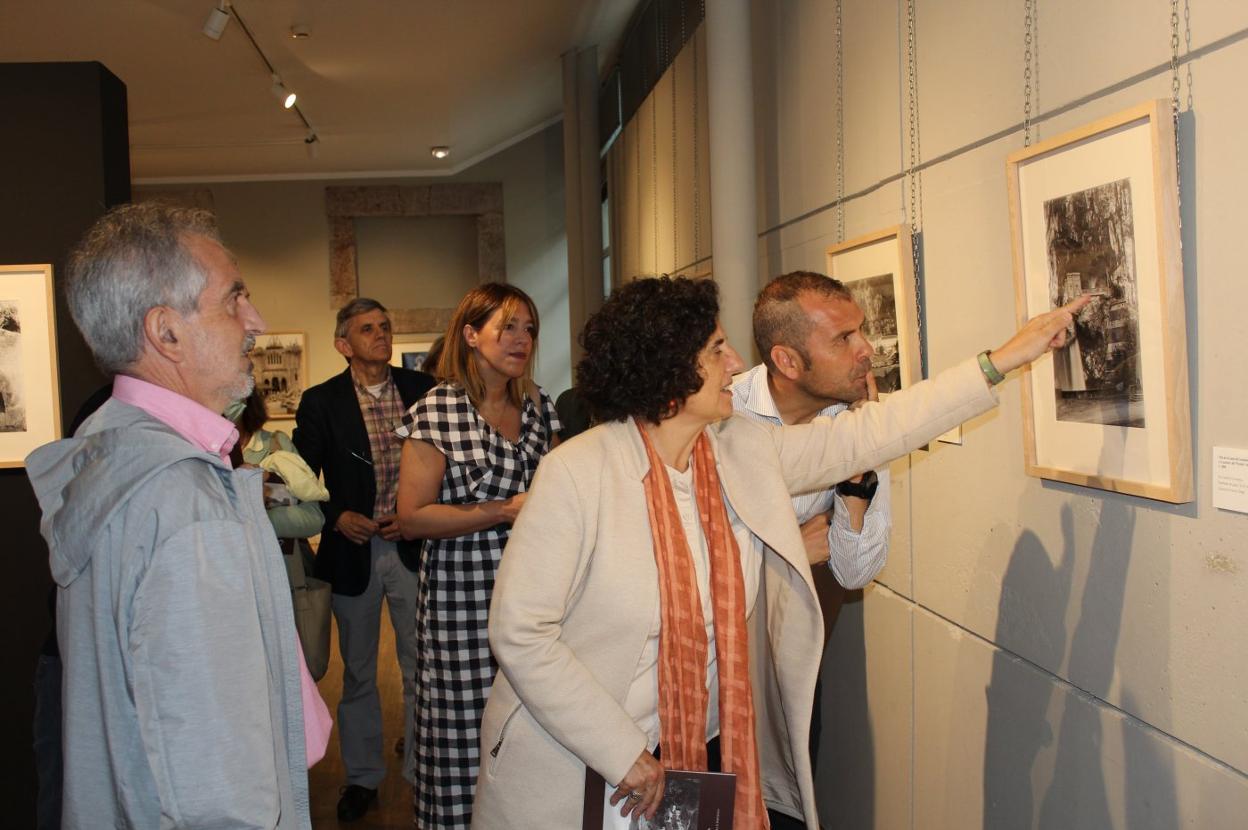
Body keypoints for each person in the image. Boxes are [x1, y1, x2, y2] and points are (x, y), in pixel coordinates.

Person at [471, 275, 1087, 829]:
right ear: (667, 368)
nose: (737, 363)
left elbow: (874, 430)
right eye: (716, 349)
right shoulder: (576, 474)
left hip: (696, 753)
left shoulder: (744, 451)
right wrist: (621, 752)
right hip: (576, 758)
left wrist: (1002, 360)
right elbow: (522, 633)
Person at [26, 202, 325, 828]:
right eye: (233, 301)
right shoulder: (187, 505)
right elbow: (217, 791)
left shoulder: (111, 452)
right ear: (165, 332)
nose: (256, 321)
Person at [394, 282, 561, 829]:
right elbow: (412, 517)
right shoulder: (437, 410)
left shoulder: (540, 406)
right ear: (470, 334)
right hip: (460, 608)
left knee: (531, 731)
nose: (522, 340)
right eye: (507, 327)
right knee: (463, 742)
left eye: (529, 328)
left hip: (533, 601)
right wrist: (501, 511)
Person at [732, 270, 891, 776]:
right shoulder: (723, 416)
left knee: (789, 807)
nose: (866, 349)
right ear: (787, 361)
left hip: (792, 661)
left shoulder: (857, 422)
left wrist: (850, 489)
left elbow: (853, 570)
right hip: (711, 665)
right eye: (844, 339)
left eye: (860, 330)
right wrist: (793, 547)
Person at [293, 297, 436, 821]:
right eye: (367, 329)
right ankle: (363, 776)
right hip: (352, 550)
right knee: (357, 673)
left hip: (413, 546)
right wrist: (336, 518)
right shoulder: (320, 402)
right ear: (343, 344)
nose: (380, 334)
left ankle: (424, 771)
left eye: (385, 326)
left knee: (421, 667)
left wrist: (421, 514)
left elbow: (447, 465)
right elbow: (302, 481)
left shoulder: (424, 391)